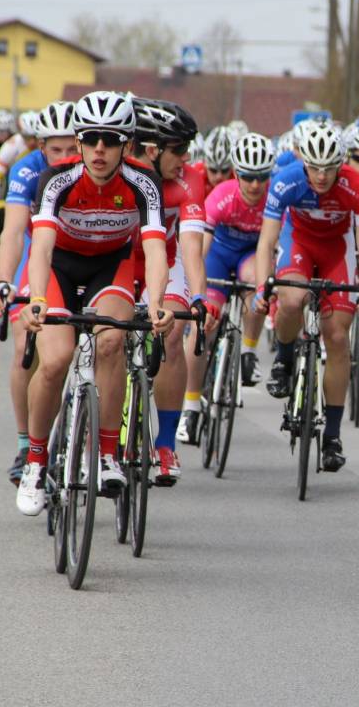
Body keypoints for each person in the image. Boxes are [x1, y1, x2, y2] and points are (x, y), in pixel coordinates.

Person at [14, 91, 174, 517]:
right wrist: (37, 299)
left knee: (111, 342)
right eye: (90, 138)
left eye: (110, 139)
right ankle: (35, 463)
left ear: (126, 144)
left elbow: (155, 249)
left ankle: (106, 454)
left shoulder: (144, 182)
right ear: (78, 141)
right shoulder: (56, 179)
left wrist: (157, 302)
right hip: (60, 269)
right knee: (55, 359)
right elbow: (41, 247)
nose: (99, 149)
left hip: (111, 267)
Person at [253, 122, 359, 471]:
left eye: (329, 168)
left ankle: (332, 436)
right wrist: (262, 287)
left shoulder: (355, 185)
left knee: (337, 337)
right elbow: (266, 242)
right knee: (290, 300)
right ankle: (285, 359)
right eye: (314, 167)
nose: (321, 176)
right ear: (303, 161)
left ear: (340, 164)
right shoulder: (286, 180)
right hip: (299, 243)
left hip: (337, 251)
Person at [0, 100, 78, 486]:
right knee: (26, 340)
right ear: (41, 147)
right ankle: (26, 444)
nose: (65, 157)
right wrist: (4, 279)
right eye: (56, 149)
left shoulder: (92, 169)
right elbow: (12, 231)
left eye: (72, 148)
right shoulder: (26, 170)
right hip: (37, 255)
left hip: (81, 257)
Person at [128, 97, 211, 481]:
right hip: (121, 260)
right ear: (151, 149)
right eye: (178, 149)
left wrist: (199, 297)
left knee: (173, 332)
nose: (186, 157)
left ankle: (164, 445)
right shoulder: (121, 173)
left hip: (169, 259)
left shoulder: (190, 180)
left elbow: (192, 247)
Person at [178, 132, 277, 442]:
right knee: (203, 326)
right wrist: (198, 293)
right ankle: (191, 406)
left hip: (251, 255)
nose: (255, 184)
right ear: (236, 173)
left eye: (262, 176)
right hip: (219, 255)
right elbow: (201, 248)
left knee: (258, 285)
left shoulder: (273, 198)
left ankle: (248, 350)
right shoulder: (221, 196)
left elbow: (272, 247)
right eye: (247, 176)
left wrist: (265, 289)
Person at [0, 111, 40, 258]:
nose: (32, 142)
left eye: (35, 137)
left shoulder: (46, 145)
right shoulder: (11, 146)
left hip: (39, 188)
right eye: (27, 137)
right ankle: (1, 257)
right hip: (12, 189)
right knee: (1, 223)